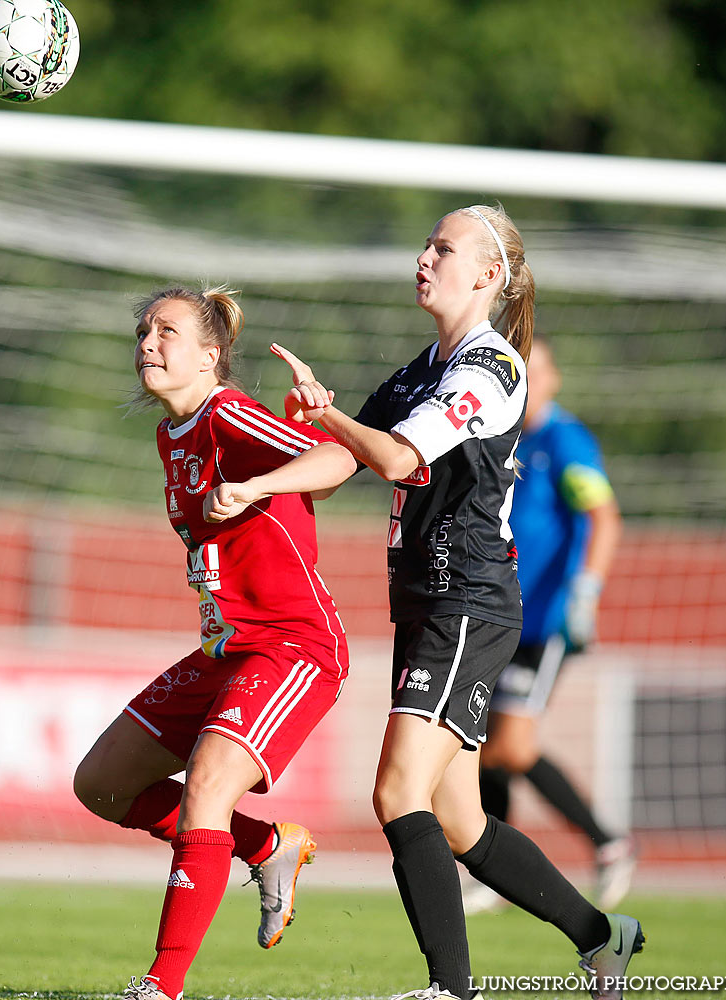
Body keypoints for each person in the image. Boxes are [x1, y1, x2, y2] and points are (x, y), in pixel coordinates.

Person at [247, 205, 644, 1000]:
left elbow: (394, 457)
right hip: (427, 603)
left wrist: (328, 414)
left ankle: (449, 990)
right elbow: (340, 459)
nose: (423, 257)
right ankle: (605, 937)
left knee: (397, 792)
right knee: (459, 822)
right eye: (425, 244)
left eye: (443, 247)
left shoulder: (491, 368)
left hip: (469, 600)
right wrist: (255, 480)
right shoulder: (417, 371)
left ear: (487, 275)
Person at [73, 285, 358, 1000]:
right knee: (102, 785)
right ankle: (266, 846)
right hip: (226, 647)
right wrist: (270, 480)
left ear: (209, 357)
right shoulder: (172, 433)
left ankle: (159, 988)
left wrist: (260, 481)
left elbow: (337, 464)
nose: (146, 342)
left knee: (204, 784)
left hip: (292, 643)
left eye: (165, 331)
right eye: (142, 330)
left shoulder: (227, 410)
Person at [467, 336, 634, 916]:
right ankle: (493, 871)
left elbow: (602, 517)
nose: (527, 380)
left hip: (546, 620)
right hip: (501, 618)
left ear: (555, 378)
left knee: (511, 745)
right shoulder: (507, 439)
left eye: (535, 370)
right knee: (485, 745)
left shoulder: (565, 440)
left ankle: (607, 844)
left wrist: (585, 593)